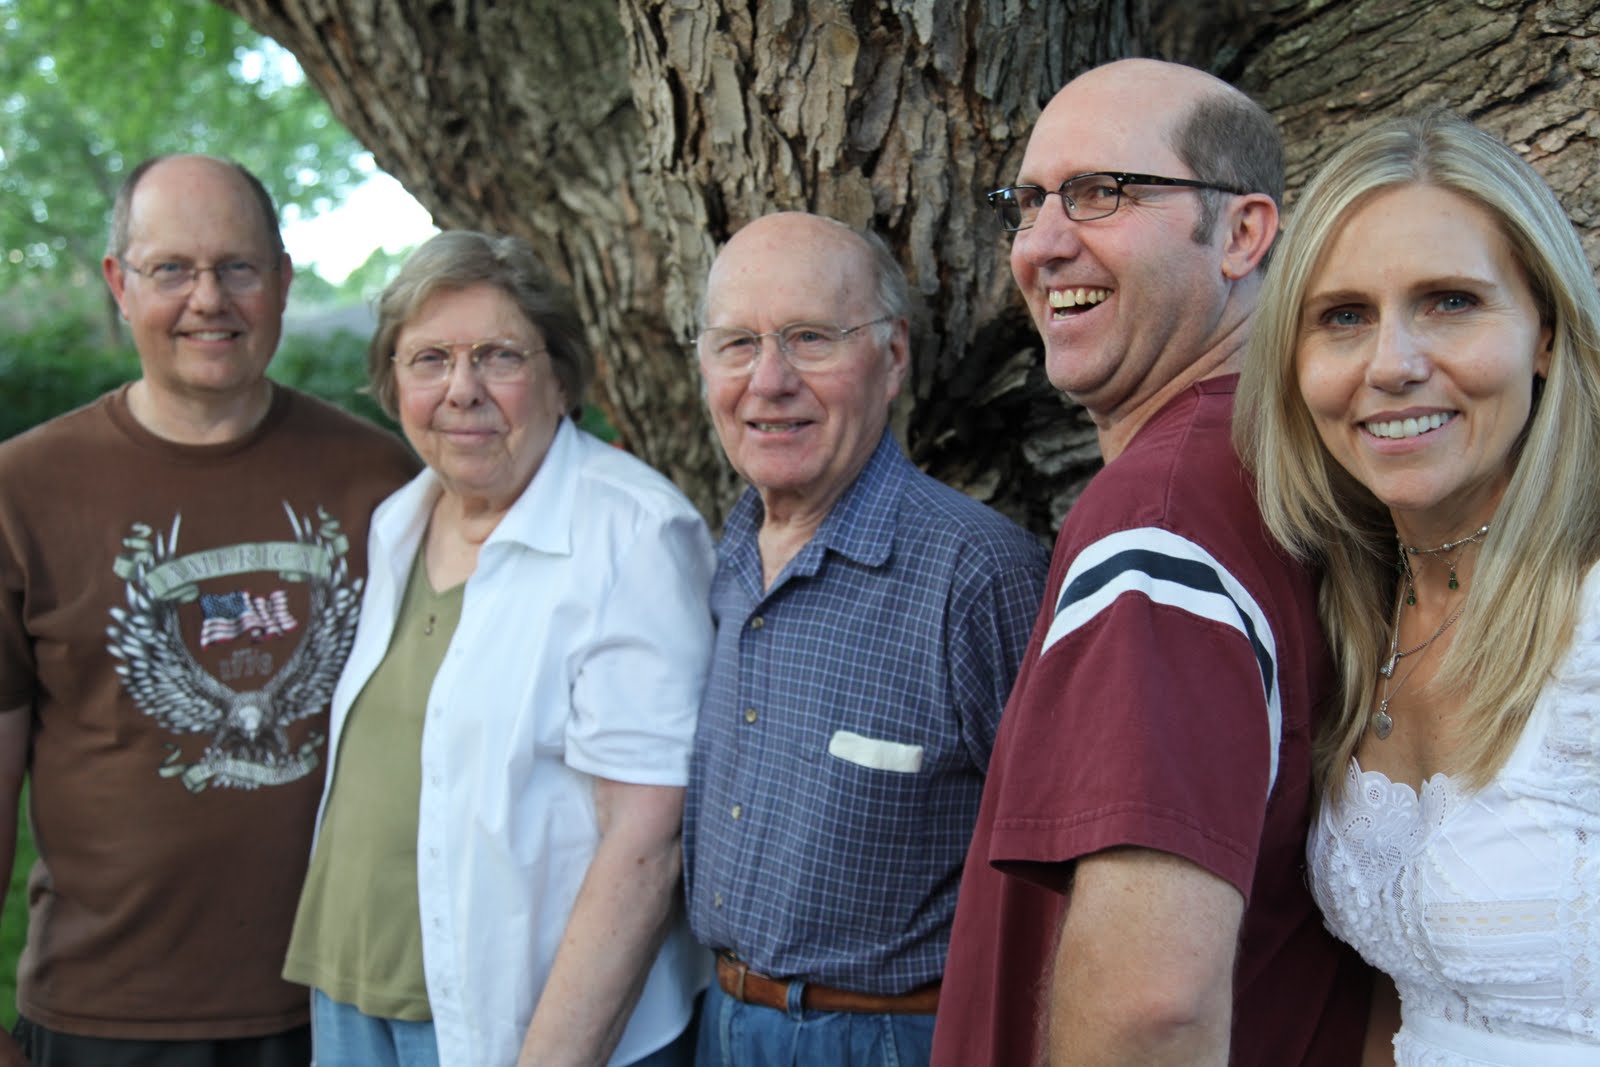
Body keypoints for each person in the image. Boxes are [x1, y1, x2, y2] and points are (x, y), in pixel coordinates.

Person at [930, 59, 1371, 1067]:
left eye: (1100, 193)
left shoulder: (1159, 524)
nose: (1041, 244)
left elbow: (1149, 1004)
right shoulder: (1286, 465)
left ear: (1242, 234)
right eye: (1028, 200)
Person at [0, 155, 419, 1065]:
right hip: (103, 1016)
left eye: (237, 267)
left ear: (281, 280)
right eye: (171, 270)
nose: (208, 299)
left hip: (345, 1009)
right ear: (119, 283)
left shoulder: (385, 483)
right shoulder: (22, 491)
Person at [281, 230, 715, 1067]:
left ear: (560, 378)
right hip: (354, 988)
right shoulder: (402, 520)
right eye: (429, 359)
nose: (461, 390)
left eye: (498, 357)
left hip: (522, 1022)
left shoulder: (631, 532)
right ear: (391, 382)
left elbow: (645, 843)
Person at [1235, 110, 1600, 1065]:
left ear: (1547, 334)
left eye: (1450, 301)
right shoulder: (1354, 619)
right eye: (1344, 316)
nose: (1393, 366)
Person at [683, 211, 1048, 1066]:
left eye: (810, 338)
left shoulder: (977, 575)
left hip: (893, 1038)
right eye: (737, 343)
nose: (768, 381)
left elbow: (1059, 877)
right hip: (723, 1022)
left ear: (891, 358)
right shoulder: (724, 557)